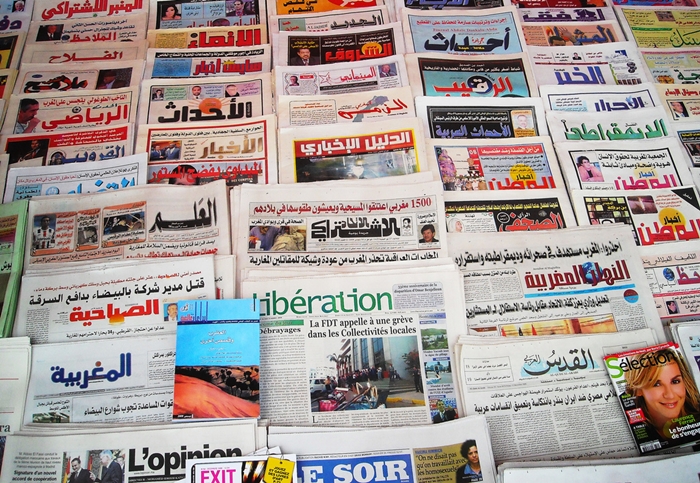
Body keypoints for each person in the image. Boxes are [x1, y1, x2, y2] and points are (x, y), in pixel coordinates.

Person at [624, 347, 700, 441]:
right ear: (638, 390)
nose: (670, 395)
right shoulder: (632, 426)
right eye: (656, 384)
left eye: (675, 381)